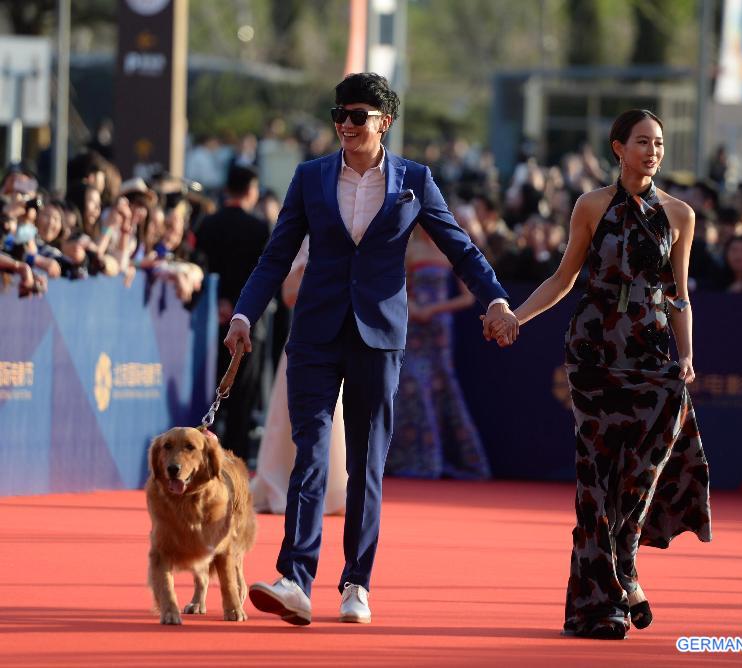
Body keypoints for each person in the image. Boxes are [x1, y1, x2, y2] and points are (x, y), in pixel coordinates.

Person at [223, 73, 516, 626]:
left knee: (365, 463)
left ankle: (356, 582)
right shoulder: (309, 177)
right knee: (309, 451)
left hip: (378, 336)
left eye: (358, 115)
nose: (346, 125)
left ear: (385, 121)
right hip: (313, 334)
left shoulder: (416, 180)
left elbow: (460, 247)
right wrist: (244, 314)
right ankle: (295, 579)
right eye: (340, 114)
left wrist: (496, 300)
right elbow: (276, 254)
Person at [490, 109, 712, 639]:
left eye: (658, 143)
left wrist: (686, 356)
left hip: (655, 354)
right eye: (642, 142)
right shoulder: (592, 205)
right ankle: (596, 605)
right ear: (618, 148)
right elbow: (565, 277)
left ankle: (626, 565)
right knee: (596, 477)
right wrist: (515, 316)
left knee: (642, 474)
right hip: (594, 352)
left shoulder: (680, 215)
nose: (653, 151)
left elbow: (679, 295)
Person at [251, 238, 348, 516]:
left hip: (344, 334)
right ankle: (285, 485)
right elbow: (288, 294)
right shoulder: (308, 239)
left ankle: (333, 490)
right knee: (289, 416)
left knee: (336, 417)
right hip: (306, 335)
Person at [385, 226, 491, 480]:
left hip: (439, 328)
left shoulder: (449, 248)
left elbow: (467, 298)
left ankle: (442, 459)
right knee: (411, 385)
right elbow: (398, 288)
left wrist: (434, 309)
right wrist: (414, 308)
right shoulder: (411, 249)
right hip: (413, 325)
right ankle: (413, 459)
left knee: (440, 386)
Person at [194, 165, 270, 462]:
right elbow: (265, 273)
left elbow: (200, 265)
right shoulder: (259, 226)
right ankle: (234, 464)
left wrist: (219, 300)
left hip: (210, 320)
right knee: (242, 398)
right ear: (251, 191)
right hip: (249, 323)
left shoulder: (207, 224)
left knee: (209, 395)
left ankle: (204, 461)